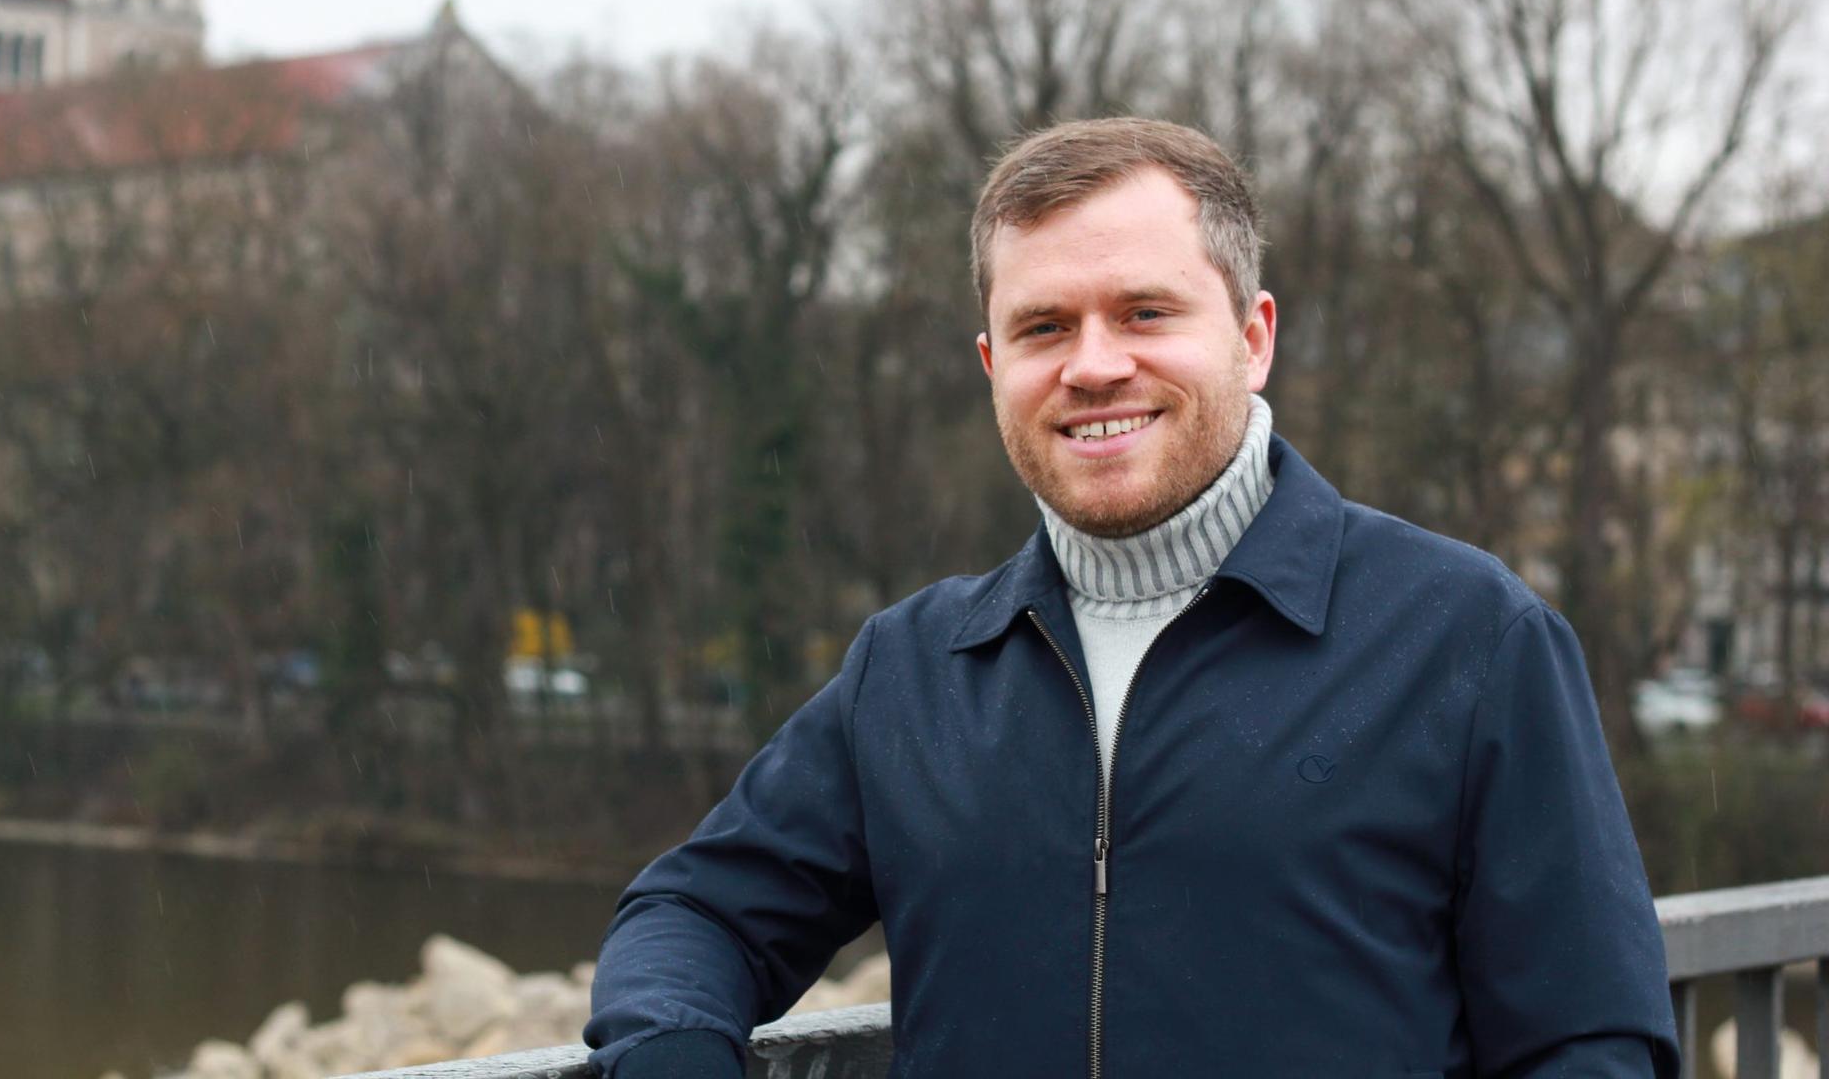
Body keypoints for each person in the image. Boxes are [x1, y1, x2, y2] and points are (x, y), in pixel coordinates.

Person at [583, 118, 1678, 1077]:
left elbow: (1589, 1040)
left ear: (1253, 338)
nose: (1093, 365)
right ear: (990, 362)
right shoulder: (916, 669)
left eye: (1146, 311)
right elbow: (695, 913)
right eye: (1044, 326)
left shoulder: (1466, 640)